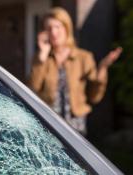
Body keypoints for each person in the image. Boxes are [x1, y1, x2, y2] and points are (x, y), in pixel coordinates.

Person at [28, 7, 122, 135]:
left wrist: (102, 68)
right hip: (48, 124)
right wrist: (41, 58)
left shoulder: (84, 57)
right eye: (49, 28)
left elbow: (94, 97)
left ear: (67, 28)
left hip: (76, 127)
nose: (53, 32)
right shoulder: (41, 58)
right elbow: (32, 90)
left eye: (57, 27)